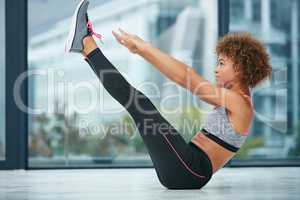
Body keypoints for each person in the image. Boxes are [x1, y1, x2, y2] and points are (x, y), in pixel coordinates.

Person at [65, 0, 272, 190]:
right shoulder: (231, 100)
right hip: (186, 167)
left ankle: (86, 45)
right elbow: (181, 76)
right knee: (139, 103)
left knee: (139, 104)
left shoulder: (240, 103)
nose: (216, 69)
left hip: (189, 170)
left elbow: (186, 77)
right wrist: (140, 49)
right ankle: (85, 47)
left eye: (221, 63)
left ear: (241, 68)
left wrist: (142, 48)